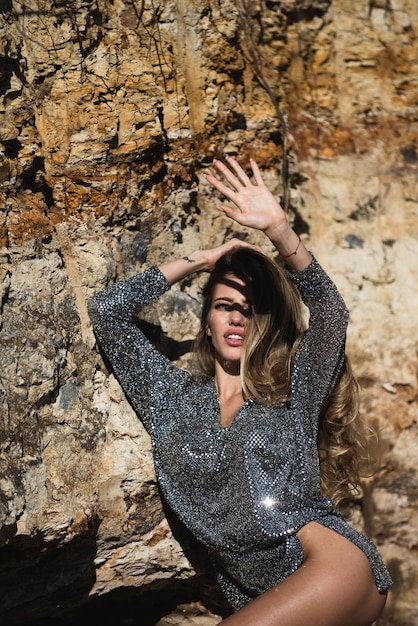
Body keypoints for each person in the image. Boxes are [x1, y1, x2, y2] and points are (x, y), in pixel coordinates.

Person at [88, 156, 392, 625]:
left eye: (249, 309)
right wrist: (202, 261)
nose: (236, 318)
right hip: (257, 595)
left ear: (263, 322)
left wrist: (279, 230)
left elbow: (331, 313)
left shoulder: (292, 389)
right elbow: (107, 312)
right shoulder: (172, 400)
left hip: (331, 566)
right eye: (224, 306)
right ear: (207, 321)